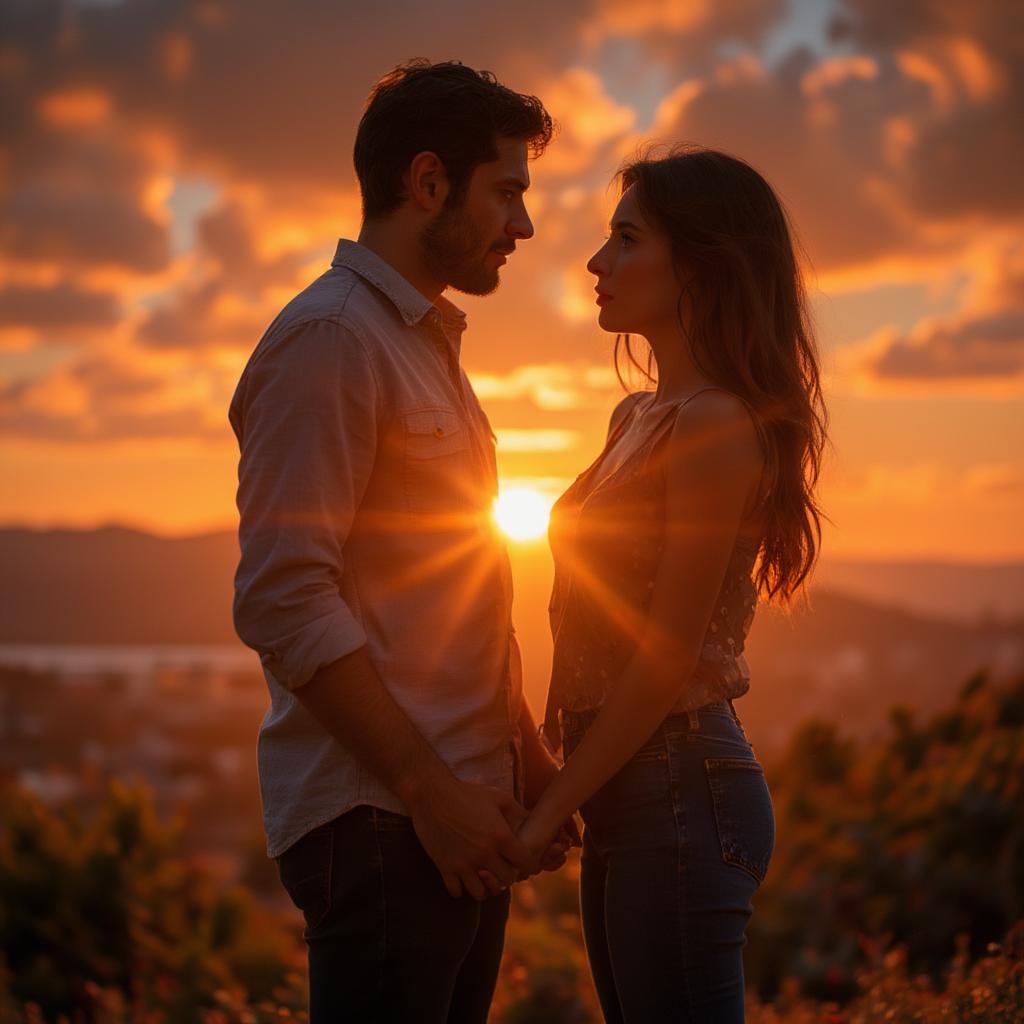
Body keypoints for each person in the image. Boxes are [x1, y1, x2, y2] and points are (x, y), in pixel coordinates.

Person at [228, 60, 575, 1024]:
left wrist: (523, 754)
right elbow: (284, 597)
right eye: (507, 190)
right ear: (428, 182)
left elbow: (452, 591)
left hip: (458, 821)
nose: (525, 225)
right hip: (386, 825)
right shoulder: (331, 341)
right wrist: (430, 793)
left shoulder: (419, 346)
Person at [518, 146, 830, 1022]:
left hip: (680, 784)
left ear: (699, 263)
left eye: (625, 239)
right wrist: (554, 769)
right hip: (629, 782)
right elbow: (592, 625)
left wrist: (550, 810)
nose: (596, 262)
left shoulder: (717, 425)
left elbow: (664, 659)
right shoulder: (637, 415)